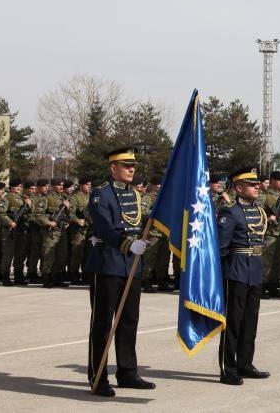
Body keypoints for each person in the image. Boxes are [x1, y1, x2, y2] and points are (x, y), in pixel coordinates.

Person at [86, 147, 154, 397]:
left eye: (133, 166)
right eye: (126, 165)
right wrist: (126, 243)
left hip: (132, 265)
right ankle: (98, 374)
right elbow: (104, 227)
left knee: (128, 321)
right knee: (103, 322)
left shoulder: (136, 195)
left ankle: (127, 372)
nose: (131, 169)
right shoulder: (100, 194)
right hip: (108, 263)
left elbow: (143, 221)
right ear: (113, 167)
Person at [216, 167, 271, 385]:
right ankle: (227, 368)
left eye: (257, 183)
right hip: (236, 271)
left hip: (255, 269)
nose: (257, 186)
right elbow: (221, 247)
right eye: (251, 184)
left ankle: (245, 364)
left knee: (250, 321)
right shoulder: (230, 212)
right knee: (233, 323)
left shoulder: (258, 210)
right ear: (239, 187)